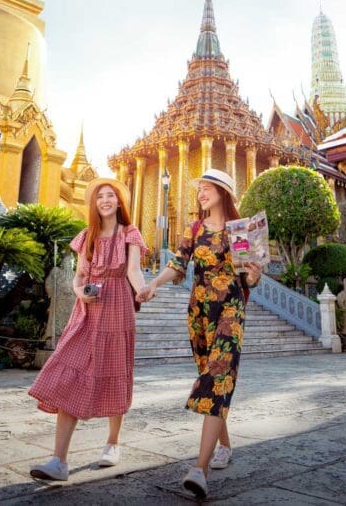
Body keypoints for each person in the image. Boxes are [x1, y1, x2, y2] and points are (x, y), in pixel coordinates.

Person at [137, 168, 261, 499]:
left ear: (223, 192)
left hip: (231, 310)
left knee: (219, 375)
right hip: (199, 312)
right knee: (210, 375)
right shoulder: (193, 229)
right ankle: (225, 444)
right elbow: (177, 265)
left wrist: (253, 274)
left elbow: (251, 279)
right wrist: (153, 285)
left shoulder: (240, 230)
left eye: (207, 188)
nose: (201, 193)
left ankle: (199, 469)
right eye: (200, 189)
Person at [27, 178, 147, 481]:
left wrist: (144, 290)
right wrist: (81, 293)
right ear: (93, 203)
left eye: (111, 196)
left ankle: (112, 443)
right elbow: (79, 277)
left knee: (115, 372)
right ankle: (59, 460)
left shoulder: (130, 233)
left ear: (120, 202)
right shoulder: (87, 236)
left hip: (118, 309)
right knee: (70, 373)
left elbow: (133, 270)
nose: (105, 200)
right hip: (87, 313)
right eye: (100, 196)